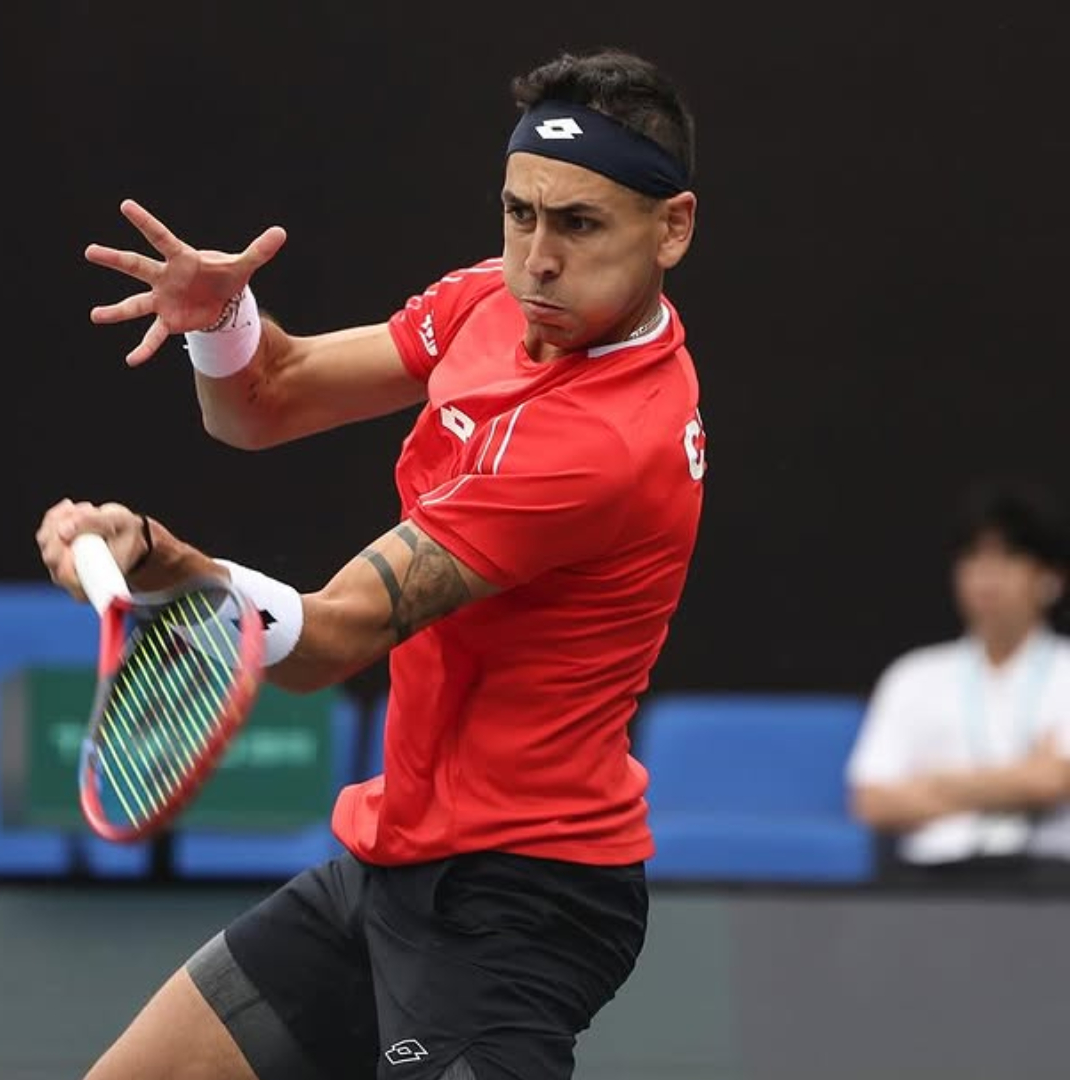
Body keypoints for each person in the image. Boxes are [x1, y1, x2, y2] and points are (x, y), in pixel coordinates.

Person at [39, 48, 704, 1080]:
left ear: (671, 228)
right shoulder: (494, 303)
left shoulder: (603, 445)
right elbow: (270, 397)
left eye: (579, 225)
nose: (537, 259)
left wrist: (168, 561)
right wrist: (222, 322)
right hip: (397, 858)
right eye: (519, 214)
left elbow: (334, 636)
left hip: (520, 904)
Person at [847, 482, 1070, 886]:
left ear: (1049, 578)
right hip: (935, 876)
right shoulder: (913, 675)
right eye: (973, 558)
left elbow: (1054, 781)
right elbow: (872, 800)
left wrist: (935, 784)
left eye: (1007, 558)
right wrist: (1020, 781)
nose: (986, 577)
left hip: (1048, 879)